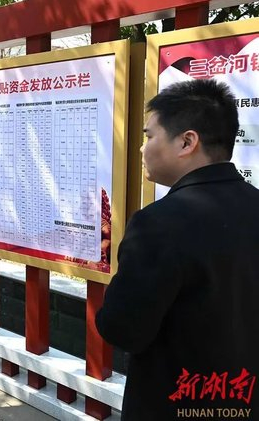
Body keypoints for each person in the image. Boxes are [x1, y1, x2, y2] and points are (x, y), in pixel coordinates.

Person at [95, 79, 259, 420]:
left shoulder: (158, 224)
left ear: (187, 142)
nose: (142, 149)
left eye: (149, 136)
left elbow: (123, 329)